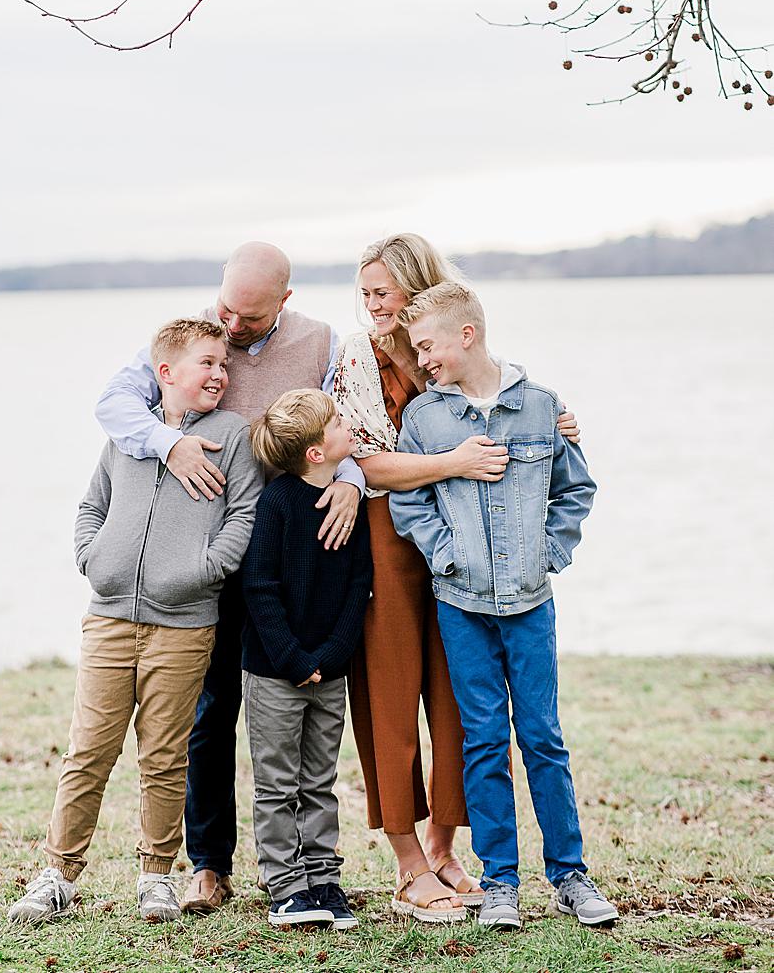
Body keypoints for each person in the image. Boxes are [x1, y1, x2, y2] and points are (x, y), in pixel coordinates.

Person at [94, 242, 364, 914]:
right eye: (224, 308)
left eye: (247, 316)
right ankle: (210, 865)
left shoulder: (322, 344)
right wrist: (171, 443)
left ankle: (308, 867)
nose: (232, 326)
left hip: (287, 550)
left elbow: (344, 426)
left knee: (296, 722)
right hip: (212, 554)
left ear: (284, 302)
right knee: (211, 713)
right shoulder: (197, 341)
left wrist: (353, 479)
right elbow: (115, 404)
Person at [332, 234, 580, 923]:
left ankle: (445, 849)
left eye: (382, 292)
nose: (372, 305)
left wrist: (556, 428)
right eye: (366, 294)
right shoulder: (358, 357)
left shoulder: (445, 342)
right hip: (388, 541)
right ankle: (409, 862)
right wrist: (455, 464)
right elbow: (371, 465)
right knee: (389, 696)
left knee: (458, 703)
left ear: (417, 291)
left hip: (480, 550)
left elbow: (515, 422)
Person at [8, 320, 263, 926]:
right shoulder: (127, 434)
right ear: (166, 373)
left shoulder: (233, 436)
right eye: (207, 363)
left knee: (166, 755)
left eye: (224, 365)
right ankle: (58, 876)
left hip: (186, 623)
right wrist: (94, 559)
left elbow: (243, 513)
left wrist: (204, 570)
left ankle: (155, 877)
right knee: (88, 750)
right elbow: (92, 504)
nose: (220, 375)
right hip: (109, 618)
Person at [390, 281, 619, 930]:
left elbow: (575, 489)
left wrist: (546, 554)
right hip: (461, 604)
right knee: (484, 741)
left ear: (468, 335)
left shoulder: (542, 407)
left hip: (530, 604)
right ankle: (501, 884)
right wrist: (445, 553)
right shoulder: (425, 420)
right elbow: (411, 502)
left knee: (543, 738)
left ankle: (571, 876)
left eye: (428, 346)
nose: (423, 359)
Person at [242, 390, 373, 930]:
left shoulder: (348, 501)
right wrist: (295, 659)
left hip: (330, 669)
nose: (348, 425)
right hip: (276, 671)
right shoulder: (275, 503)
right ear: (317, 451)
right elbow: (259, 587)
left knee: (319, 780)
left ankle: (323, 879)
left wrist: (334, 654)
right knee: (277, 783)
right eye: (339, 422)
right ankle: (285, 887)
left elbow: (360, 583)